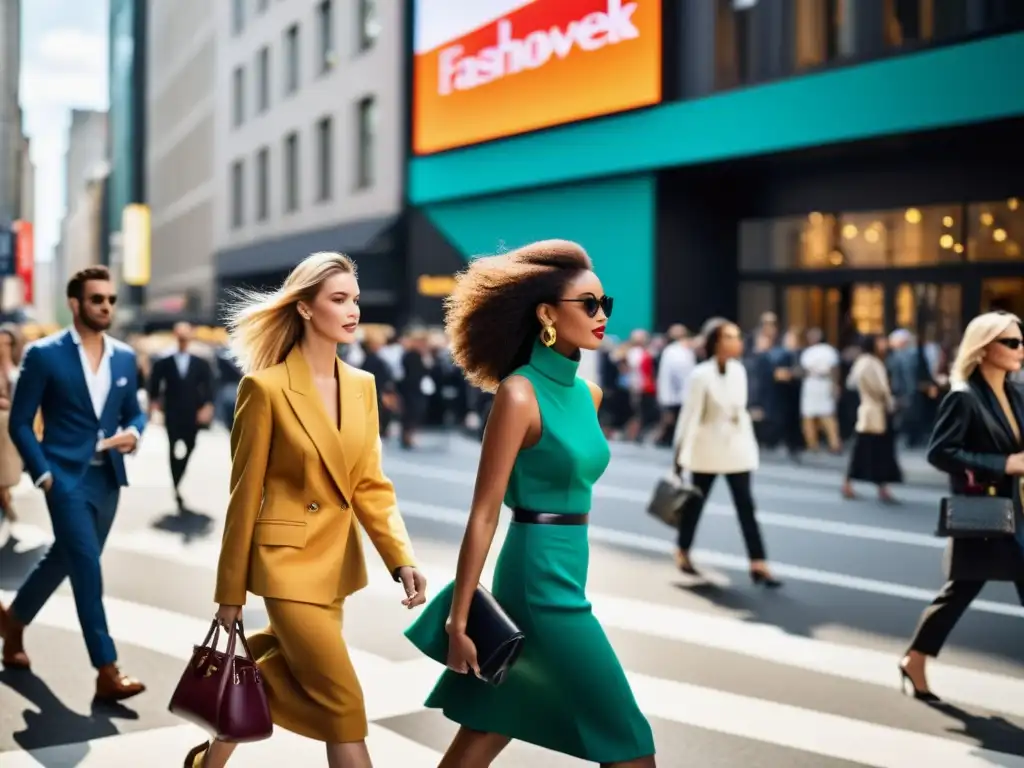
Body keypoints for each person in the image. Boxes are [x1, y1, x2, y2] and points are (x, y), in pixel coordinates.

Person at [405, 240, 656, 767]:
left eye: (604, 304)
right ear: (546, 314)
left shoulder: (589, 395)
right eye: (587, 304)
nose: (601, 315)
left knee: (487, 730)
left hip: (568, 568)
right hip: (537, 580)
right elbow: (484, 512)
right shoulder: (519, 394)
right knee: (629, 740)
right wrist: (458, 620)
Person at [188, 251, 427, 768]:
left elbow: (369, 484)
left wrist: (400, 558)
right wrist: (230, 594)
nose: (353, 311)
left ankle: (207, 762)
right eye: (338, 299)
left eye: (355, 300)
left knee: (293, 680)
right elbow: (243, 496)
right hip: (286, 568)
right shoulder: (265, 388)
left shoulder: (362, 386)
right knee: (343, 703)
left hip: (336, 569)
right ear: (303, 308)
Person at [0, 266, 147, 700]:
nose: (106, 306)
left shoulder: (122, 356)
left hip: (109, 480)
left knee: (64, 558)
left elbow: (133, 412)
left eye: (111, 300)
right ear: (75, 303)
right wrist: (44, 474)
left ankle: (13, 622)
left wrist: (135, 433)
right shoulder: (44, 355)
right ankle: (106, 668)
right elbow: (22, 423)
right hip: (63, 479)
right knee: (86, 567)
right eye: (97, 299)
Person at [900, 311, 1024, 699]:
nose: (1021, 348)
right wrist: (1001, 464)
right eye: (1012, 342)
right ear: (985, 348)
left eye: (1021, 340)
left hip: (1018, 510)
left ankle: (915, 659)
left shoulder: (1016, 392)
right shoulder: (963, 397)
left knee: (963, 588)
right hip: (987, 511)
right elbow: (941, 453)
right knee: (961, 589)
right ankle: (916, 658)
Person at [671, 319, 781, 587]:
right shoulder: (701, 374)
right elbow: (689, 417)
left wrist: (750, 446)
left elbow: (739, 413)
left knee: (746, 507)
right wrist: (678, 456)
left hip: (736, 451)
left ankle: (759, 563)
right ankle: (683, 550)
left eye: (737, 336)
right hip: (706, 450)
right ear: (716, 342)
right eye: (730, 337)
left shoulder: (739, 371)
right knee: (695, 505)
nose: (737, 341)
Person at [147, 321, 214, 510]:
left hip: (192, 411)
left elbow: (208, 385)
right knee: (173, 445)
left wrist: (207, 407)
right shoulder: (164, 360)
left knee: (191, 444)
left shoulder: (200, 361)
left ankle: (179, 472)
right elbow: (154, 383)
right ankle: (176, 481)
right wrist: (153, 404)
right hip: (172, 411)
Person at [841, 334, 902, 502]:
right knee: (872, 450)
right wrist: (888, 401)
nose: (884, 344)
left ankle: (877, 485)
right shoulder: (869, 362)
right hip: (874, 411)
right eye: (880, 341)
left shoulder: (867, 361)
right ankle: (878, 486)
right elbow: (878, 388)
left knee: (870, 450)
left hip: (871, 411)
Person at [0, 323, 23, 521]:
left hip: (10, 428)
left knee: (8, 473)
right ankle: (4, 501)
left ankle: (5, 497)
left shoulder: (18, 367)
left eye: (8, 343)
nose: (3, 345)